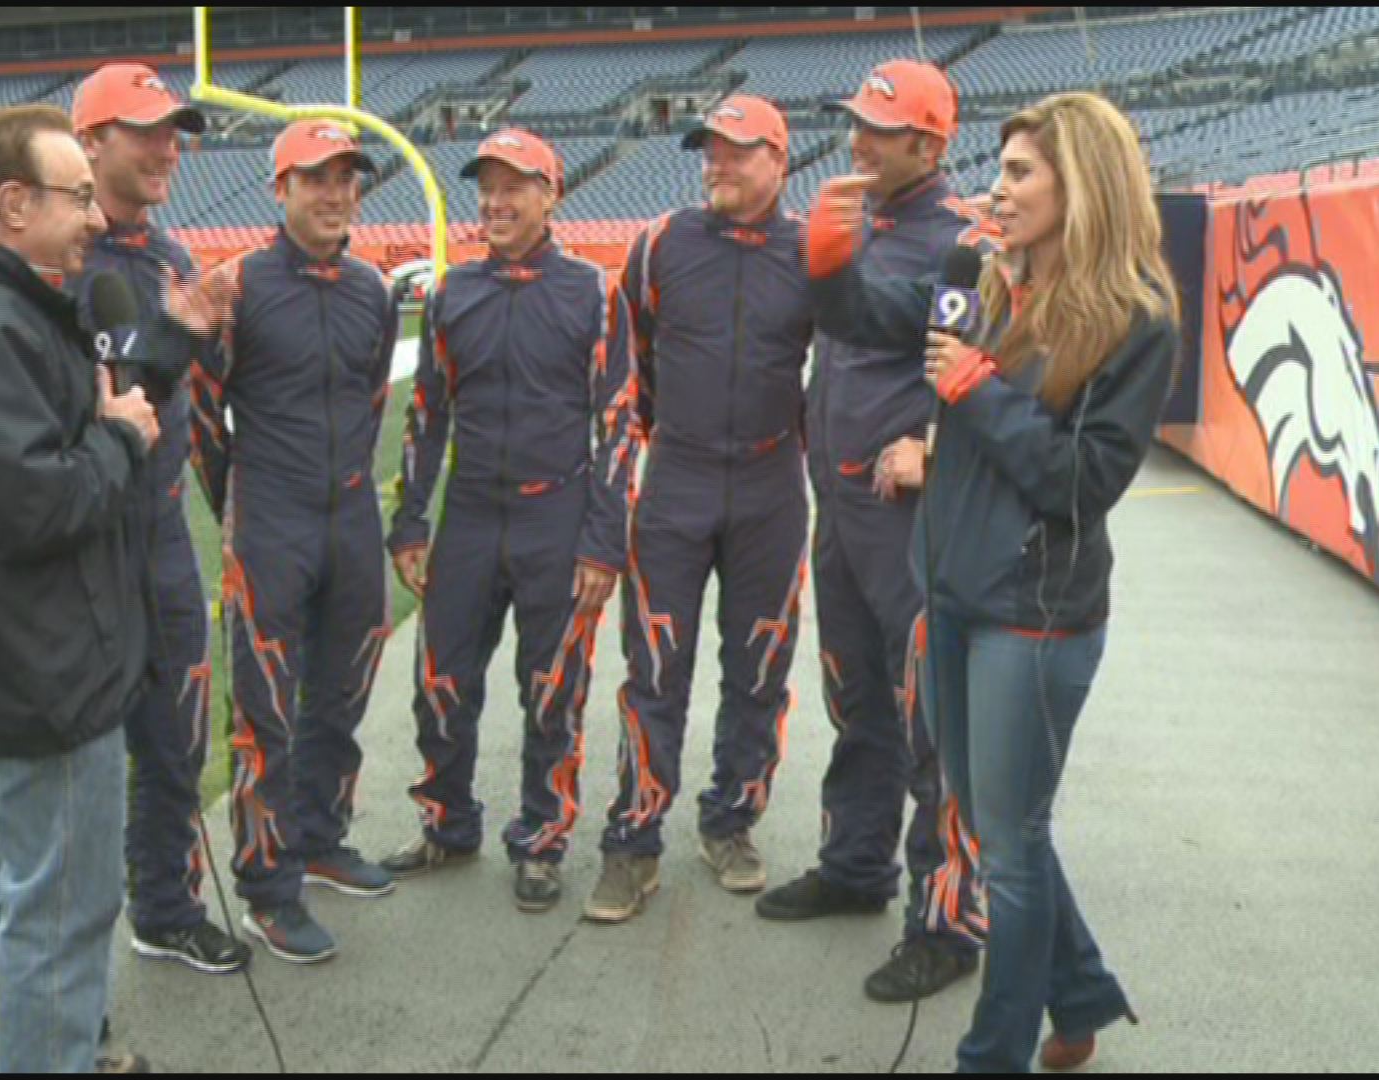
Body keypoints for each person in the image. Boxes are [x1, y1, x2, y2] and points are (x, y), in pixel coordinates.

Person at [805, 91, 1177, 1072]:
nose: (997, 189)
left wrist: (980, 392)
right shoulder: (976, 273)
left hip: (1037, 615)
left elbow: (1084, 481)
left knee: (1008, 847)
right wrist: (832, 264)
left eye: (1019, 173)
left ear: (1080, 185)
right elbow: (879, 319)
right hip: (952, 593)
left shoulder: (1139, 319)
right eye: (1000, 170)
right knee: (998, 825)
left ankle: (993, 1053)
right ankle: (1084, 990)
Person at [0, 103, 156, 1073]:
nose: (95, 216)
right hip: (43, 669)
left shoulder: (10, 307)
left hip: (49, 654)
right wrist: (123, 436)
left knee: (40, 892)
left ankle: (70, 1047)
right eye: (77, 195)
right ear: (13, 204)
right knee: (60, 906)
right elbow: (36, 508)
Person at [757, 60, 989, 1006]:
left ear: (929, 145)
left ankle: (946, 920)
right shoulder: (865, 219)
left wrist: (936, 443)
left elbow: (959, 356)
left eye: (879, 128)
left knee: (926, 711)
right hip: (837, 505)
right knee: (854, 692)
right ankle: (856, 865)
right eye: (854, 121)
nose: (857, 140)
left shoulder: (962, 244)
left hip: (906, 519)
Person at [377, 128, 638, 912]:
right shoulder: (453, 293)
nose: (495, 201)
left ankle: (542, 838)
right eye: (486, 187)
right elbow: (426, 417)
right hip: (468, 520)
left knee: (551, 689)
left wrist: (603, 538)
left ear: (549, 194)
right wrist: (411, 522)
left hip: (556, 517)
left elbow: (620, 422)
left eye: (513, 186)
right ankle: (448, 824)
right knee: (441, 681)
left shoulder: (593, 292)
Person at [586, 94, 816, 923]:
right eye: (708, 149)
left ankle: (730, 821)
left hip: (770, 486)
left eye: (736, 150)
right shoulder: (660, 245)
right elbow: (628, 364)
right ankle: (634, 840)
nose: (715, 163)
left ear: (779, 161)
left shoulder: (812, 252)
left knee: (759, 667)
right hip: (676, 478)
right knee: (655, 668)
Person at [183, 119, 400, 964]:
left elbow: (371, 395)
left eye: (347, 179)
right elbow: (202, 417)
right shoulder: (233, 285)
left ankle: (319, 838)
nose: (334, 193)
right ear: (281, 190)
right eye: (316, 179)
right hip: (270, 515)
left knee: (341, 698)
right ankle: (268, 887)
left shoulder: (373, 290)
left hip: (350, 515)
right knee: (265, 712)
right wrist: (241, 500)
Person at [69, 61, 251, 976]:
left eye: (173, 129)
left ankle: (165, 906)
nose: (167, 146)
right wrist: (174, 337)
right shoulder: (60, 261)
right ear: (90, 141)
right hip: (87, 549)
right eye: (146, 129)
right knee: (87, 769)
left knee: (178, 739)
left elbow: (197, 408)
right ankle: (72, 968)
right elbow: (100, 401)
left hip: (166, 536)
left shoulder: (170, 256)